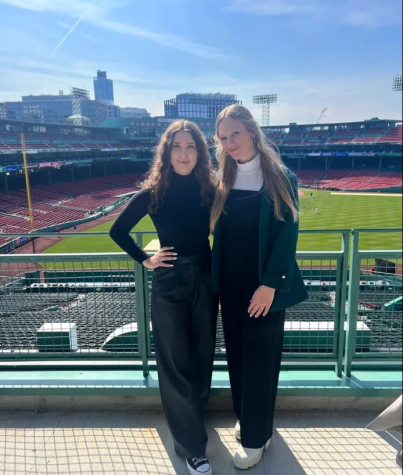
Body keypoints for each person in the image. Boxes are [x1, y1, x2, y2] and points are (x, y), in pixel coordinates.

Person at [110, 120, 218, 475]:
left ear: (200, 153)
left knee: (202, 353)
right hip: (169, 279)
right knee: (174, 361)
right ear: (167, 151)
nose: (184, 154)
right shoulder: (152, 193)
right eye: (177, 147)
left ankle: (193, 419)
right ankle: (192, 448)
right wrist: (145, 258)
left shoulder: (211, 188)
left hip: (205, 275)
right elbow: (118, 230)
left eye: (191, 147)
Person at [210, 105, 308, 471]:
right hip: (231, 287)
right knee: (237, 356)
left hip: (265, 287)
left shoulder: (281, 176)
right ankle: (251, 421)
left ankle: (256, 438)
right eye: (222, 137)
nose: (229, 142)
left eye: (235, 133)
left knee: (261, 361)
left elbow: (287, 237)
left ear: (251, 130)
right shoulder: (223, 177)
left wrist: (269, 284)